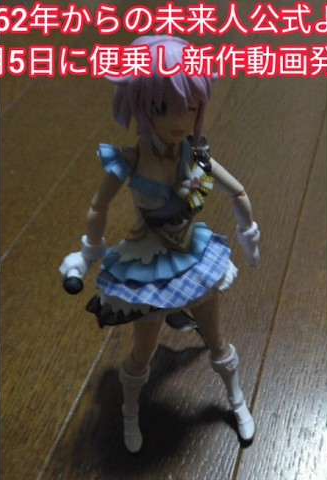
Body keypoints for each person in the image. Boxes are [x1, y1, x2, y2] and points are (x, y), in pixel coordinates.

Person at [59, 35, 261, 453]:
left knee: (217, 341)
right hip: (148, 265)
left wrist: (249, 233)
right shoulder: (131, 161)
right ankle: (130, 411)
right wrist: (88, 253)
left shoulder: (196, 155)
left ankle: (236, 399)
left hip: (194, 257)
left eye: (191, 107)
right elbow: (98, 207)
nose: (180, 119)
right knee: (142, 352)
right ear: (141, 106)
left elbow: (237, 190)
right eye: (163, 107)